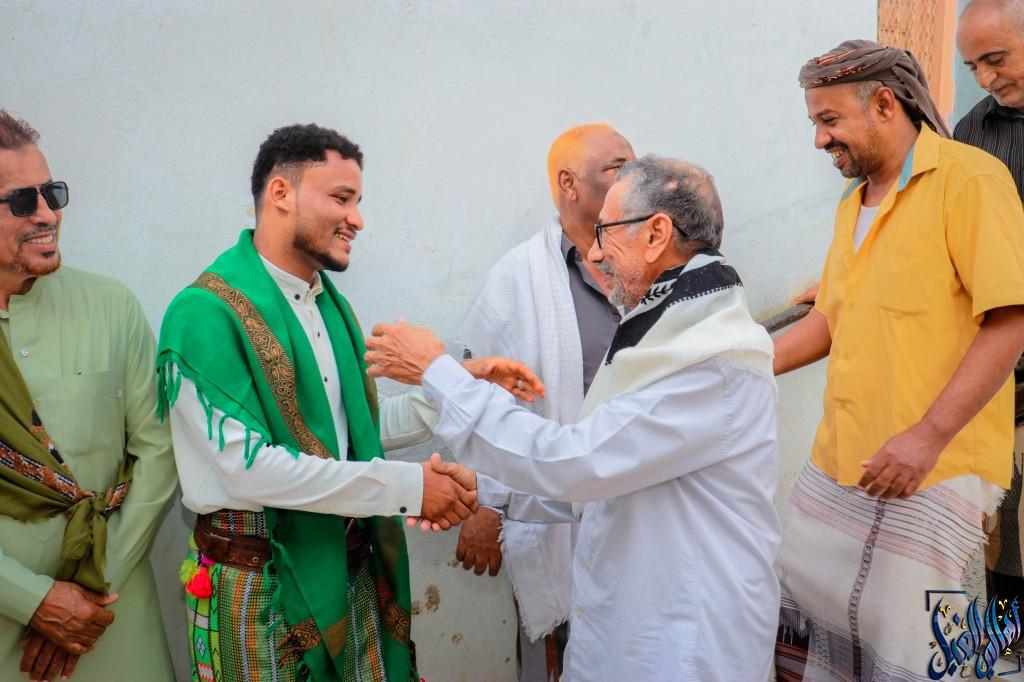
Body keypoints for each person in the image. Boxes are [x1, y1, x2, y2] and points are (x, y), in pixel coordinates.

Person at [366, 155, 783, 681]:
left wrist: (436, 372)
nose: (596, 251)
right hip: (637, 626)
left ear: (656, 234)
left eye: (606, 231)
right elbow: (610, 473)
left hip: (684, 645)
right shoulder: (666, 327)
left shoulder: (708, 355)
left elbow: (579, 464)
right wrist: (487, 489)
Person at [158, 123, 542, 682]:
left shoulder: (326, 305)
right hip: (259, 584)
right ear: (281, 193)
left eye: (357, 201)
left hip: (348, 567)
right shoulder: (204, 314)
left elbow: (354, 433)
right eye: (341, 198)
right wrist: (410, 489)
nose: (356, 219)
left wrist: (455, 385)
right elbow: (248, 470)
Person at [773, 40, 1024, 680]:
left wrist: (927, 438)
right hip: (843, 455)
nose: (820, 139)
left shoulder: (970, 180)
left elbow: (1010, 321)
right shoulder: (852, 203)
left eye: (829, 120)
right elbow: (828, 322)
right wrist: (732, 362)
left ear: (884, 104)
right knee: (803, 602)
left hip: (932, 465)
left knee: (908, 643)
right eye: (815, 123)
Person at [0, 109, 176, 681]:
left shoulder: (111, 306)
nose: (48, 214)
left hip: (112, 614)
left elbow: (159, 453)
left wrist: (93, 593)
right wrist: (32, 601)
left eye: (51, 193)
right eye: (21, 201)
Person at [455, 122, 633, 681]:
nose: (634, 179)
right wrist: (484, 506)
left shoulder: (651, 261)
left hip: (641, 500)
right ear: (568, 184)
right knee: (558, 657)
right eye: (617, 168)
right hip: (558, 512)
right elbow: (479, 401)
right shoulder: (517, 278)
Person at [956, 0, 1024, 607]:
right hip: (1010, 369)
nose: (984, 78)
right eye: (973, 66)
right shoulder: (974, 133)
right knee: (1007, 539)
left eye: (995, 59)